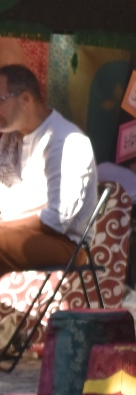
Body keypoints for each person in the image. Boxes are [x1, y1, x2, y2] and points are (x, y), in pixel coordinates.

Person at [0, 65, 97, 276]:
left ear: (25, 99)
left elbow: (55, 221)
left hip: (64, 243)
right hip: (13, 232)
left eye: (0, 100)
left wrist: (5, 226)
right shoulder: (9, 138)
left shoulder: (67, 141)